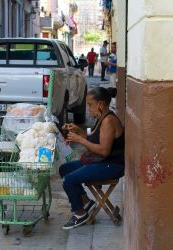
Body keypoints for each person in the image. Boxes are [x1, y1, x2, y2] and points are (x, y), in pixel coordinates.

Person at [59, 87, 124, 230]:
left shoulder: (108, 121)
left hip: (111, 165)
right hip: (101, 161)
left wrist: (80, 140)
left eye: (90, 105)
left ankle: (80, 213)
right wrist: (78, 131)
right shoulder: (102, 117)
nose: (88, 109)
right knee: (64, 169)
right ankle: (86, 202)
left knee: (70, 180)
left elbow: (104, 151)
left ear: (100, 104)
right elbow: (94, 140)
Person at [107, 42, 117, 109]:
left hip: (115, 74)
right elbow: (109, 63)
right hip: (111, 73)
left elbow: (117, 64)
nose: (112, 48)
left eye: (114, 47)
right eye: (112, 47)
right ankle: (113, 103)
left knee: (114, 88)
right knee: (112, 87)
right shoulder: (112, 55)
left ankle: (114, 104)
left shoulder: (117, 55)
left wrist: (109, 63)